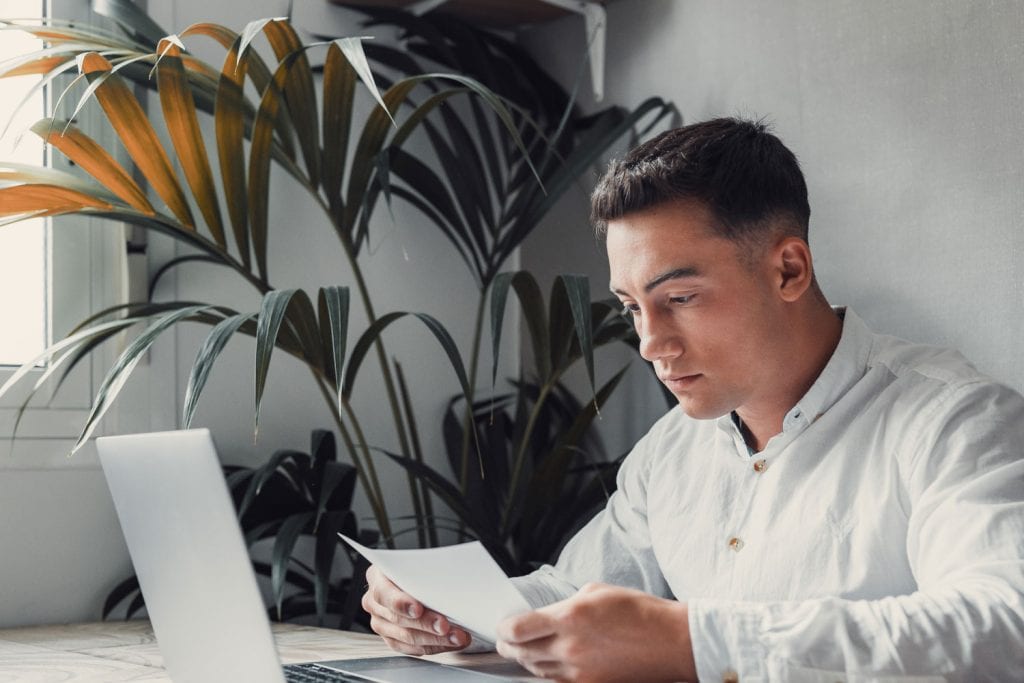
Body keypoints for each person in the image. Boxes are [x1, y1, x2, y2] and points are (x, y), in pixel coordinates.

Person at [361, 118, 1024, 682]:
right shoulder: (675, 446)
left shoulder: (956, 421)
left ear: (788, 268)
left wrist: (693, 640)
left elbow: (1005, 623)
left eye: (678, 298)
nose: (650, 343)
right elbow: (573, 595)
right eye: (632, 307)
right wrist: (448, 615)